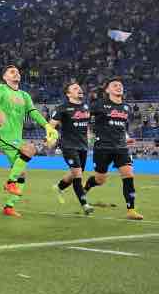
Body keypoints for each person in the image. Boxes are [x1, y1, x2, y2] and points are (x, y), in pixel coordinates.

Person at [0, 65, 58, 218]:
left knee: (22, 175)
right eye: (12, 72)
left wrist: (46, 126)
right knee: (30, 149)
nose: (16, 73)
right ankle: (9, 182)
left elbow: (33, 113)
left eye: (17, 72)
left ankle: (9, 206)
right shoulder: (1, 89)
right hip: (3, 133)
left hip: (16, 137)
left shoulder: (25, 95)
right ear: (5, 77)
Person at [82, 78, 143, 220]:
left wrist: (126, 138)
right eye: (115, 85)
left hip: (121, 147)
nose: (118, 87)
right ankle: (87, 185)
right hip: (102, 147)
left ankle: (131, 210)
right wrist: (88, 133)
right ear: (107, 90)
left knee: (128, 174)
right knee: (100, 180)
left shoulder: (126, 107)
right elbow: (84, 119)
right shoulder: (98, 105)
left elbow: (121, 127)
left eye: (120, 85)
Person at [50, 81, 94, 215]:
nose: (79, 90)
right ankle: (85, 205)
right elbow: (51, 125)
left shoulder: (86, 107)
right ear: (68, 94)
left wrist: (89, 136)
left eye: (80, 88)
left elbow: (86, 126)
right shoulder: (62, 108)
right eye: (75, 88)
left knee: (75, 173)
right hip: (68, 146)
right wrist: (50, 139)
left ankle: (59, 187)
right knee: (78, 175)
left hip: (83, 145)